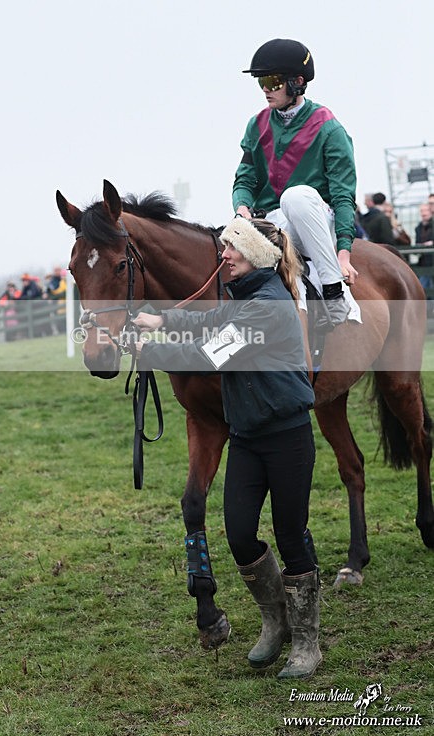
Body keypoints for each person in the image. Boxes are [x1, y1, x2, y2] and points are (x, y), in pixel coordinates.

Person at [132, 217, 321, 679]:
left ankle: (307, 644)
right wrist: (161, 319)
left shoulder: (269, 307)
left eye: (231, 250)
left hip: (287, 438)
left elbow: (211, 352)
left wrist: (149, 351)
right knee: (239, 534)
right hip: (248, 439)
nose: (223, 256)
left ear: (254, 255)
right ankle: (275, 623)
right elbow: (207, 319)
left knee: (291, 535)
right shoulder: (242, 299)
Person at [232, 38, 357, 330]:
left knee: (295, 197)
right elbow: (245, 178)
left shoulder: (329, 128)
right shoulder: (257, 124)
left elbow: (342, 196)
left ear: (297, 82)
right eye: (261, 81)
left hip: (314, 219)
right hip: (273, 226)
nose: (265, 88)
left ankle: (333, 289)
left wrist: (344, 253)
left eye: (273, 81)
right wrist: (241, 208)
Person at [414, 203, 434, 291]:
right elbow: (417, 242)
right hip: (424, 261)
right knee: (423, 287)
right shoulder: (419, 227)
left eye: (426, 210)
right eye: (422, 211)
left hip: (431, 259)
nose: (423, 213)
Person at [44, 267, 67, 334]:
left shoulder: (62, 280)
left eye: (58, 271)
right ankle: (60, 331)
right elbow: (54, 291)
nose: (58, 272)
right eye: (56, 271)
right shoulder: (53, 281)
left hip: (63, 303)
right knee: (58, 319)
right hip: (57, 304)